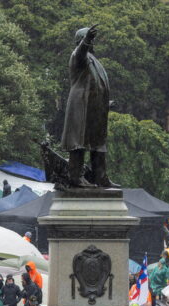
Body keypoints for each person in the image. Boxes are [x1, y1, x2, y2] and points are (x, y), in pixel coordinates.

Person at [61, 25, 117, 187]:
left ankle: (100, 176)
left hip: (95, 108)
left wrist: (104, 103)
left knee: (98, 143)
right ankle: (76, 177)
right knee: (79, 142)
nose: (93, 43)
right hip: (81, 105)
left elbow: (96, 84)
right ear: (82, 41)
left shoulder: (95, 61)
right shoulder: (78, 56)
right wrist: (86, 41)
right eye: (89, 39)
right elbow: (80, 52)